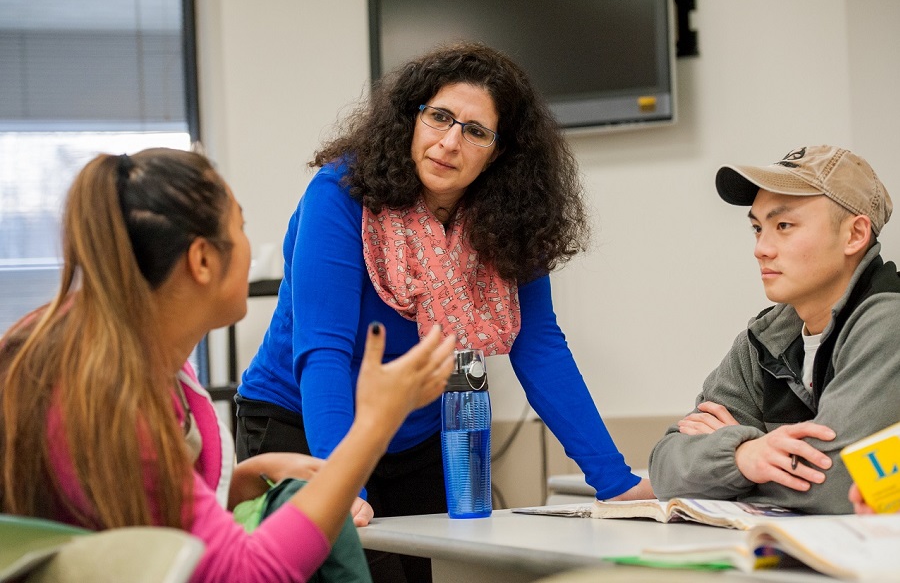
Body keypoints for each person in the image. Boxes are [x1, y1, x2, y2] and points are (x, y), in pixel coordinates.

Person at [235, 42, 652, 580]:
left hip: (416, 435)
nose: (450, 142)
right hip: (301, 422)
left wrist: (615, 481)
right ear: (412, 117)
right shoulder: (340, 193)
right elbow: (323, 352)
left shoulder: (510, 220)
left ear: (498, 151)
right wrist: (344, 483)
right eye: (439, 117)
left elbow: (539, 346)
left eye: (476, 131)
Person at [0, 148, 457, 583]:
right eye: (240, 227)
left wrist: (236, 485)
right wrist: (373, 427)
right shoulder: (104, 395)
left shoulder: (131, 353)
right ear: (202, 260)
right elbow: (244, 573)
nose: (249, 246)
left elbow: (146, 514)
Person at [648, 145, 900, 515]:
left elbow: (838, 486)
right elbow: (665, 468)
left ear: (854, 235)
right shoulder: (765, 339)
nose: (761, 249)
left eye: (783, 226)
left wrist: (733, 461)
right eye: (757, 228)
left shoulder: (889, 323)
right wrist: (745, 454)